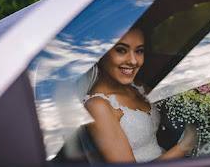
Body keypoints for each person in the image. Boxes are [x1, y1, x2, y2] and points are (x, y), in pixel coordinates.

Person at [81, 26, 199, 163]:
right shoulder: (97, 106)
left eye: (138, 51)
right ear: (99, 53)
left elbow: (173, 113)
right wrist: (185, 145)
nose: (133, 61)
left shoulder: (138, 86)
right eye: (121, 50)